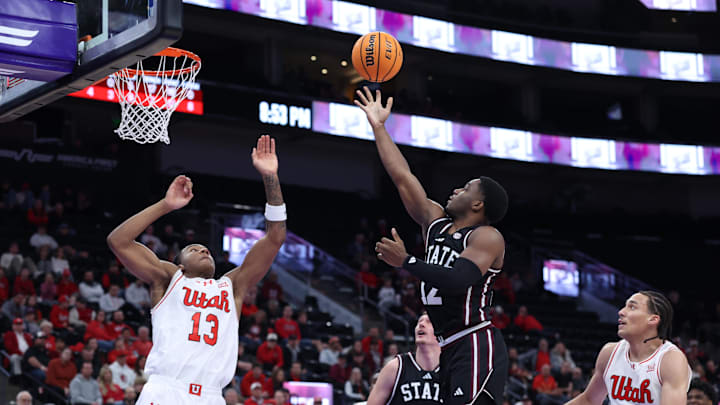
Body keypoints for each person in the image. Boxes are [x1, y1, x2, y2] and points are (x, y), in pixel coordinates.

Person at [356, 87, 509, 405]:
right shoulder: (435, 222)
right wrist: (379, 127)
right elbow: (401, 176)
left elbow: (457, 280)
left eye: (466, 188)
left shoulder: (486, 237)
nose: (456, 190)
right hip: (449, 345)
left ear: (478, 204)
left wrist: (407, 261)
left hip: (474, 340)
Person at [106, 135, 286, 404]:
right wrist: (166, 205)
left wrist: (270, 178)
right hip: (167, 389)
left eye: (207, 250)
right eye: (194, 249)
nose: (203, 250)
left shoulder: (232, 286)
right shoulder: (169, 278)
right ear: (179, 263)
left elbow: (274, 238)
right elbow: (118, 241)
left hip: (211, 396)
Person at [565, 291, 691, 405]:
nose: (621, 312)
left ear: (653, 319)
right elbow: (589, 400)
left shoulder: (670, 359)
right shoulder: (609, 353)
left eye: (632, 307)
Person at [367, 313, 442, 405]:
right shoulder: (395, 367)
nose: (421, 325)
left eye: (428, 322)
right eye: (419, 322)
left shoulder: (452, 369)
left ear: (440, 330)